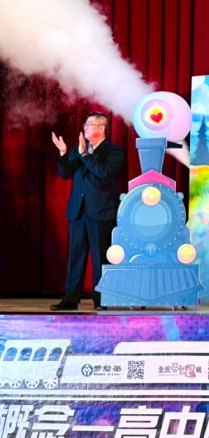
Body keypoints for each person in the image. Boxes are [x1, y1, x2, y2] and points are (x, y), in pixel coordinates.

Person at [51, 112, 124, 311]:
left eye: (89, 124)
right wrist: (63, 154)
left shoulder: (113, 151)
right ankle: (70, 299)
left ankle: (101, 300)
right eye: (85, 124)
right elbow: (66, 173)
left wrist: (85, 155)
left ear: (101, 128)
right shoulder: (79, 149)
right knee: (75, 256)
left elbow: (104, 173)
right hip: (78, 211)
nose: (85, 127)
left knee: (100, 257)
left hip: (101, 211)